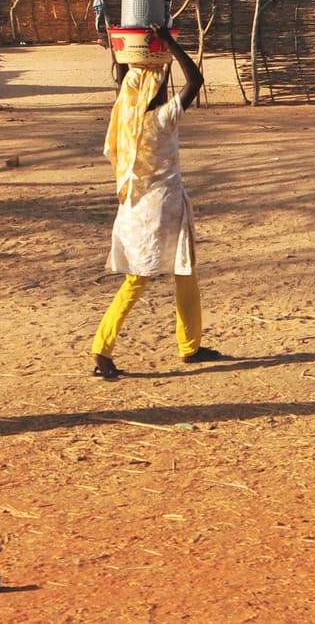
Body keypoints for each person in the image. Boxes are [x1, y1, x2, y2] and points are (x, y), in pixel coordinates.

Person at [88, 25, 224, 377]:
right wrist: (171, 43)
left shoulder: (126, 118)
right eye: (160, 85)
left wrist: (124, 46)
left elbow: (125, 80)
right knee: (162, 274)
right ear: (151, 95)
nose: (164, 86)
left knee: (169, 273)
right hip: (163, 207)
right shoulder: (162, 119)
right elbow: (195, 81)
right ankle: (102, 349)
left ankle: (187, 344)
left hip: (133, 208)